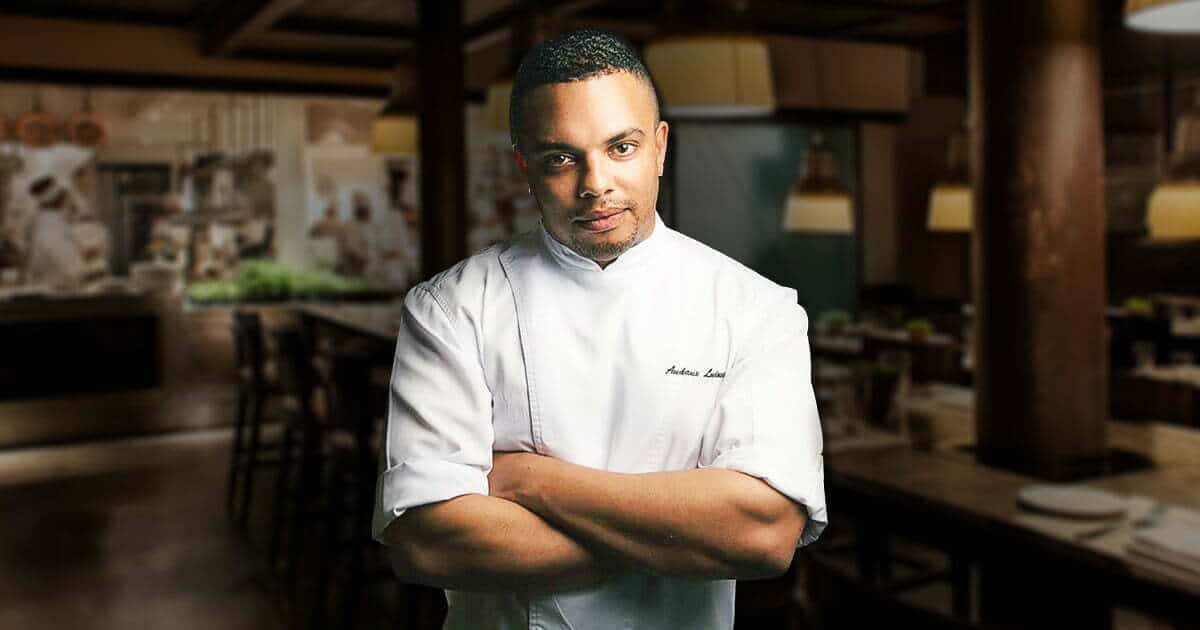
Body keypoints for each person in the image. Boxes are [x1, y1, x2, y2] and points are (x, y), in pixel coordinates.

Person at [373, 29, 826, 630]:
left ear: (660, 148)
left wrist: (532, 481)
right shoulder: (452, 308)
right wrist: (684, 540)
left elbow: (764, 534)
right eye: (561, 158)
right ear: (525, 166)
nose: (595, 184)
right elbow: (428, 542)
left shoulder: (756, 309)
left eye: (622, 147)